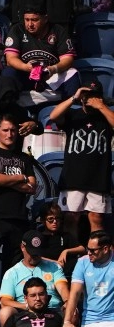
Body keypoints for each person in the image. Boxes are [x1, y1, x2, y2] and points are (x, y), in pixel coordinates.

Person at [0, 115, 36, 292]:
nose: (9, 134)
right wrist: (19, 178)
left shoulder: (25, 158)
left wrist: (7, 181)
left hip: (18, 218)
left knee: (13, 266)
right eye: (5, 130)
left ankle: (9, 298)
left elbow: (32, 187)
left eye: (13, 130)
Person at [48, 86, 114, 238]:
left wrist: (101, 106)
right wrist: (74, 97)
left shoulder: (105, 115)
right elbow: (53, 116)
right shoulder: (73, 114)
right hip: (73, 176)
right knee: (71, 218)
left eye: (93, 96)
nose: (89, 99)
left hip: (98, 176)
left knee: (96, 218)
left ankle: (95, 254)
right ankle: (73, 252)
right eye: (87, 95)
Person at [3, 5, 78, 102]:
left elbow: (68, 59)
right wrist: (26, 67)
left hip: (51, 75)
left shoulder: (58, 30)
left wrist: (53, 69)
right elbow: (10, 59)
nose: (30, 24)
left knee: (72, 73)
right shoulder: (18, 29)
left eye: (34, 20)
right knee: (8, 72)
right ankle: (10, 110)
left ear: (45, 19)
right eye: (27, 20)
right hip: (25, 74)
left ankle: (70, 110)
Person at [0, 230, 69, 325]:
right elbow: (5, 301)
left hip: (52, 310)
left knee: (71, 309)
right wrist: (27, 306)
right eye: (32, 253)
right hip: (24, 313)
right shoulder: (12, 272)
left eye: (38, 253)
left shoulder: (54, 267)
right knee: (5, 312)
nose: (36, 256)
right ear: (22, 247)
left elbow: (62, 287)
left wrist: (67, 301)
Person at [64, 231, 114, 327]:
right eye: (87, 249)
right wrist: (67, 321)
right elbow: (75, 294)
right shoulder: (82, 262)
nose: (89, 253)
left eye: (93, 250)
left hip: (112, 320)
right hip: (89, 320)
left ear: (105, 249)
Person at [0, 276, 73, 327]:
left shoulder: (60, 316)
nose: (37, 299)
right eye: (33, 295)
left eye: (41, 294)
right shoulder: (15, 318)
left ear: (46, 295)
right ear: (25, 298)